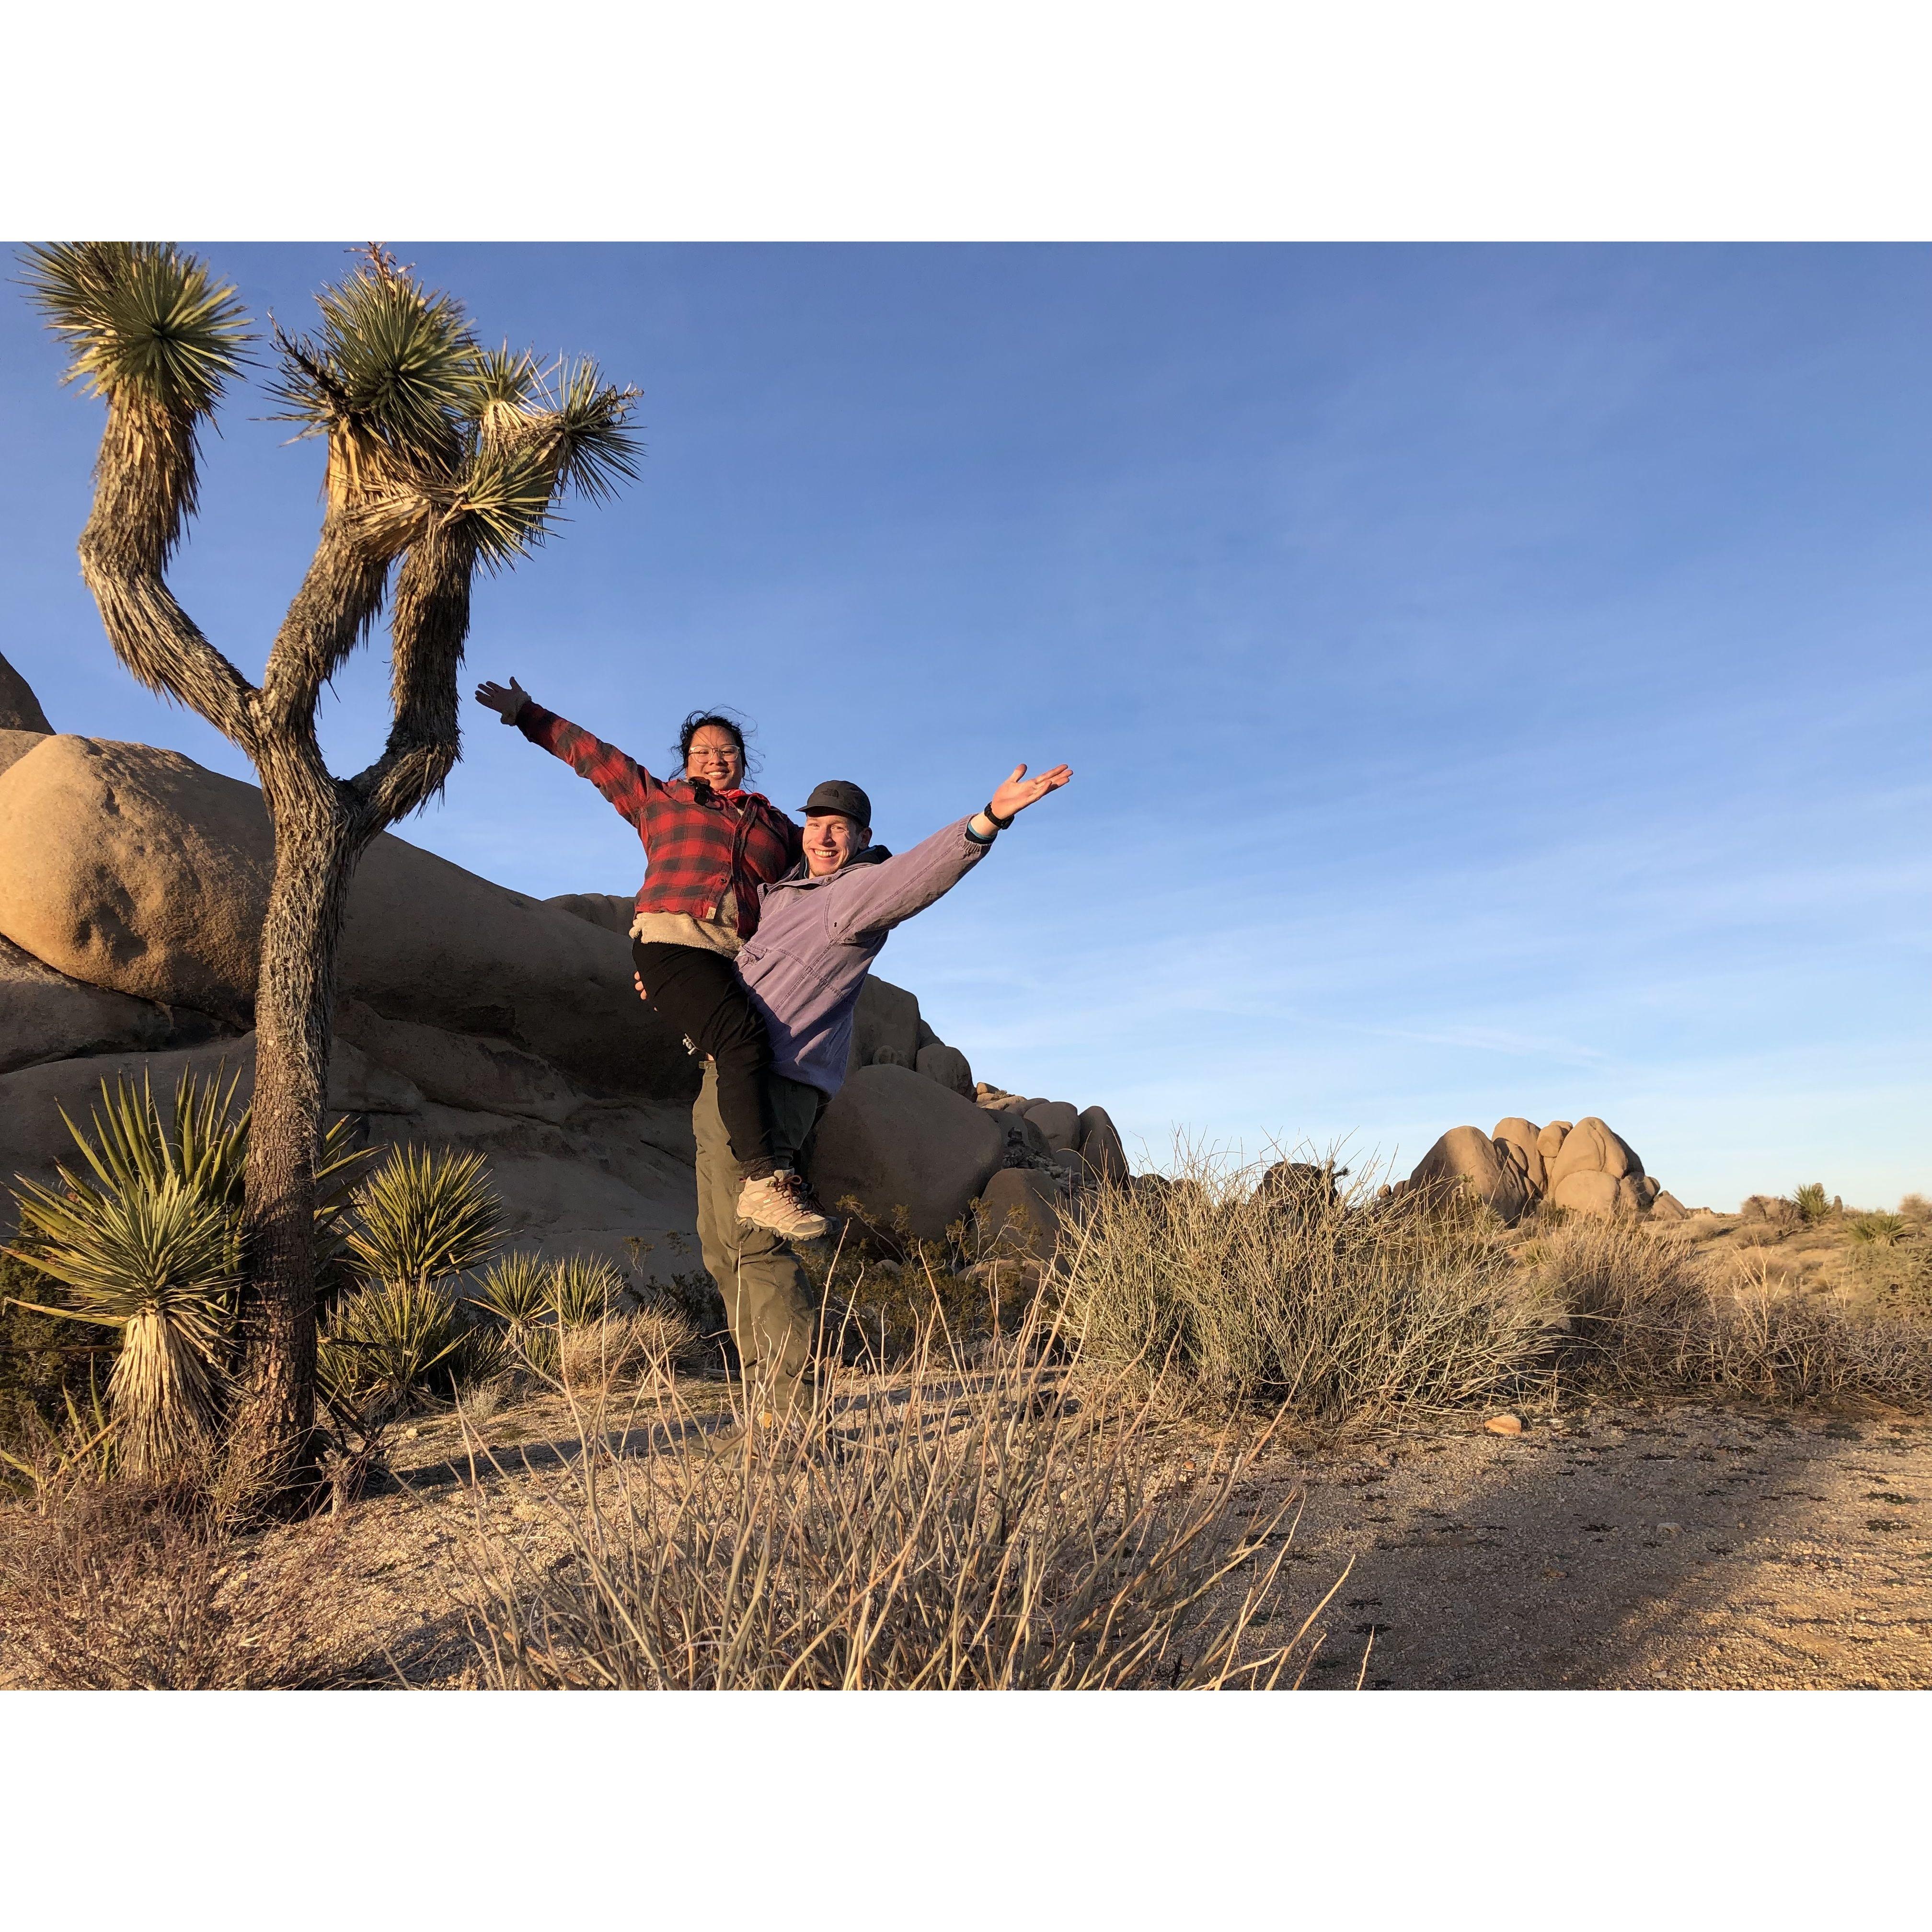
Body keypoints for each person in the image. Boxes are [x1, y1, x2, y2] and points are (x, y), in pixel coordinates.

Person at [647, 759, 1072, 1420]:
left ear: (861, 837)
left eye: (840, 829)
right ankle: (762, 1404)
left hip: (778, 1087)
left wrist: (986, 821)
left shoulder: (857, 895)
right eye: (816, 824)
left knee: (760, 1242)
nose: (824, 837)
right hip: (726, 1080)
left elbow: (919, 876)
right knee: (721, 1245)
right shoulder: (783, 897)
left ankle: (790, 1416)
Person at [472, 676, 828, 1241]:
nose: (715, 760)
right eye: (701, 752)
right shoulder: (659, 799)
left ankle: (768, 1169)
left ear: (743, 762)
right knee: (742, 1040)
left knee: (759, 1048)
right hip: (673, 940)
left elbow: (817, 873)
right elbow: (593, 757)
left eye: (726, 751)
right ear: (686, 763)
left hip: (737, 960)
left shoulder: (777, 827)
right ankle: (763, 1183)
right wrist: (526, 713)